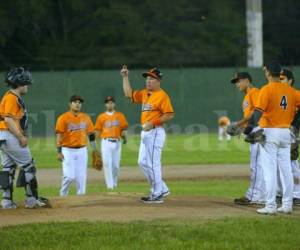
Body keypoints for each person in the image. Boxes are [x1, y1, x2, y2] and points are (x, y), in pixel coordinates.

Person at [245, 62, 300, 214]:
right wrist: (295, 123)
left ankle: (270, 206)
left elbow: (257, 112)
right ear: (280, 73)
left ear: (268, 73)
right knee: (286, 170)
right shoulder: (290, 90)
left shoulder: (267, 89)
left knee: (269, 170)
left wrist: (248, 130)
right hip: (285, 133)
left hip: (270, 132)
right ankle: (287, 204)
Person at [121, 66, 175, 204]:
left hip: (155, 131)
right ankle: (161, 188)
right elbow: (128, 94)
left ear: (159, 81)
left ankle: (157, 194)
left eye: (152, 78)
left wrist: (153, 123)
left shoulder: (162, 96)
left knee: (153, 163)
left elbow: (169, 114)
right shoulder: (145, 94)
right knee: (142, 162)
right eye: (147, 78)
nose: (148, 81)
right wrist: (125, 77)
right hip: (146, 132)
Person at [0, 67, 49, 209]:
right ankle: (31, 200)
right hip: (9, 136)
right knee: (29, 166)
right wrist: (20, 136)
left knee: (8, 167)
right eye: (26, 83)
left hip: (4, 137)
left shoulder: (10, 96)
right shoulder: (11, 97)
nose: (27, 86)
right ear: (19, 82)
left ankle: (7, 201)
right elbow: (8, 120)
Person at [230, 72, 265, 205]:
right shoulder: (246, 96)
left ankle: (254, 195)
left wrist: (239, 124)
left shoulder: (255, 92)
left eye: (239, 81)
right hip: (254, 130)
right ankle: (259, 194)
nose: (237, 84)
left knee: (256, 165)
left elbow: (257, 113)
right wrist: (243, 129)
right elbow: (250, 117)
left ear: (247, 81)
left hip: (258, 131)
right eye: (236, 82)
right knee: (258, 165)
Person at [55, 95, 95, 196]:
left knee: (81, 177)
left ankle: (81, 199)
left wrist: (94, 149)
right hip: (67, 150)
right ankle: (63, 194)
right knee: (69, 176)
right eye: (75, 102)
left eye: (79, 102)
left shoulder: (86, 117)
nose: (77, 104)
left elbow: (91, 134)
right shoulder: (63, 118)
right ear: (70, 104)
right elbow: (59, 135)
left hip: (82, 150)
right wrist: (59, 152)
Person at [95, 96, 128, 190]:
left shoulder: (120, 115)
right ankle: (110, 187)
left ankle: (114, 184)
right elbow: (97, 131)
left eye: (111, 102)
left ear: (114, 104)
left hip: (117, 142)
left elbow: (124, 129)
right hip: (105, 142)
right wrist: (95, 146)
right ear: (105, 104)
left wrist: (125, 136)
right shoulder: (101, 117)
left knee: (116, 166)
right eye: (108, 102)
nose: (110, 104)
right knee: (106, 164)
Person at [279, 69, 300, 206]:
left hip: (291, 130)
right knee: (280, 163)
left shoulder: (295, 94)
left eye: (283, 78)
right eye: (279, 78)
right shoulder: (279, 94)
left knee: (292, 161)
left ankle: (297, 194)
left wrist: (295, 125)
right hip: (279, 131)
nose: (280, 81)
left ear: (290, 80)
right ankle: (283, 193)